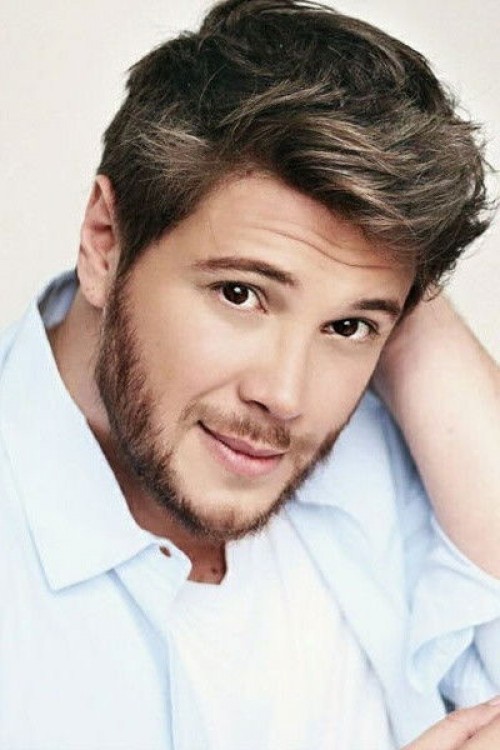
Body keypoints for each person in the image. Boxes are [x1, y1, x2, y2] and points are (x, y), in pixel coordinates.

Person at [0, 0, 498, 748]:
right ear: (105, 242)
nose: (286, 397)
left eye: (348, 327)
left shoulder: (395, 456)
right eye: (240, 293)